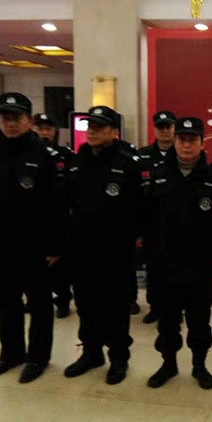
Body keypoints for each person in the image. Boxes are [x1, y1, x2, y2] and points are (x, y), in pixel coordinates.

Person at [0, 92, 65, 383]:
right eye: (6, 118)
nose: (11, 124)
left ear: (29, 120)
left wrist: (56, 246)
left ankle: (38, 358)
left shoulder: (45, 157)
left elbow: (57, 206)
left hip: (34, 247)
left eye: (17, 118)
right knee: (6, 304)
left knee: (39, 306)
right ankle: (11, 354)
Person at [145, 117, 212, 390]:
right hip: (165, 265)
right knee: (167, 323)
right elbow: (147, 219)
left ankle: (199, 365)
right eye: (182, 139)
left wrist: (204, 243)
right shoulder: (157, 175)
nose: (186, 145)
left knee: (199, 322)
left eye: (192, 140)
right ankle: (168, 364)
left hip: (199, 265)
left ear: (202, 143)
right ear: (175, 142)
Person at [63, 106, 143, 385]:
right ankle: (91, 353)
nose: (93, 131)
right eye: (90, 126)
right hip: (82, 249)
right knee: (85, 305)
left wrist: (132, 241)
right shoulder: (77, 161)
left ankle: (119, 358)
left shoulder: (129, 162)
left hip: (115, 251)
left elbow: (140, 207)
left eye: (99, 127)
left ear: (114, 131)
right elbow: (67, 205)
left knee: (116, 307)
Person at [32, 113, 75, 318]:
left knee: (59, 267)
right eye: (40, 128)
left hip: (58, 217)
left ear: (55, 132)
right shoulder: (27, 154)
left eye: (48, 129)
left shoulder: (65, 156)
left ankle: (63, 300)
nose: (44, 133)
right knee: (33, 265)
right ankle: (34, 299)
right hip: (32, 219)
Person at [138, 110, 177, 324]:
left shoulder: (182, 153)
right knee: (154, 268)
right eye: (160, 127)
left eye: (168, 127)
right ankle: (155, 307)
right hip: (152, 223)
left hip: (176, 222)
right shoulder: (143, 156)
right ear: (155, 129)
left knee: (175, 269)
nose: (164, 131)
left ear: (174, 129)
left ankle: (174, 308)